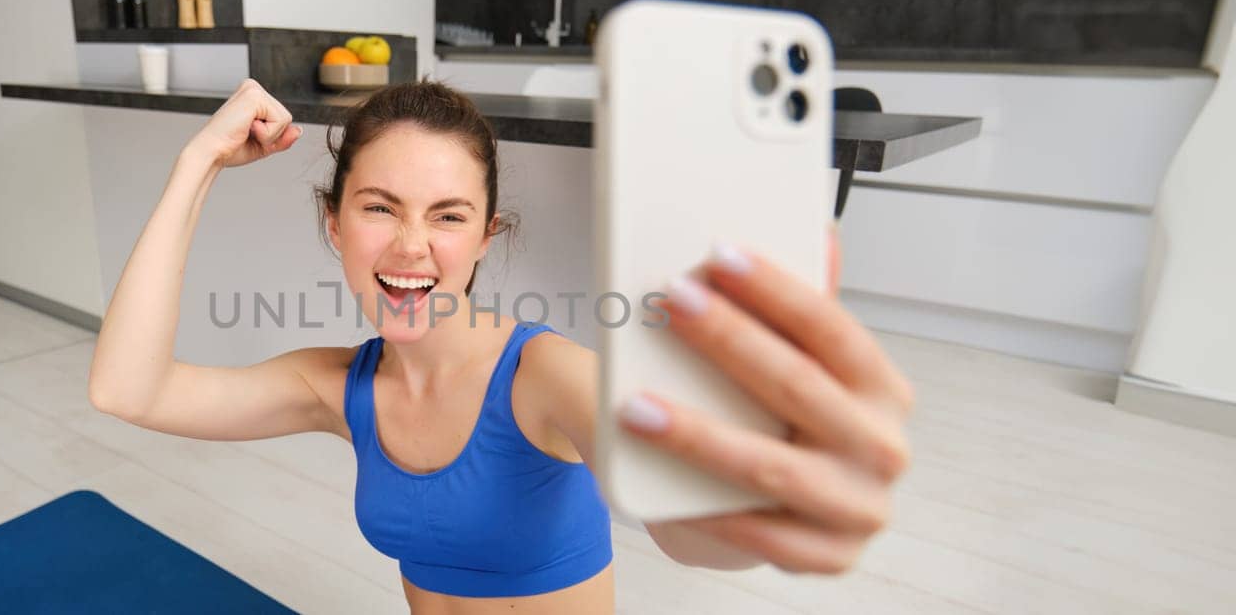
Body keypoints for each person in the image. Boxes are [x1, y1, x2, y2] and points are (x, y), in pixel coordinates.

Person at [88, 79, 915, 614]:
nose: (413, 245)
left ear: (486, 237)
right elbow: (129, 389)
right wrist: (198, 162)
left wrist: (765, 501)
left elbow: (687, 536)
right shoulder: (334, 385)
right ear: (333, 225)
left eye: (448, 216)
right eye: (380, 208)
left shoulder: (546, 377)